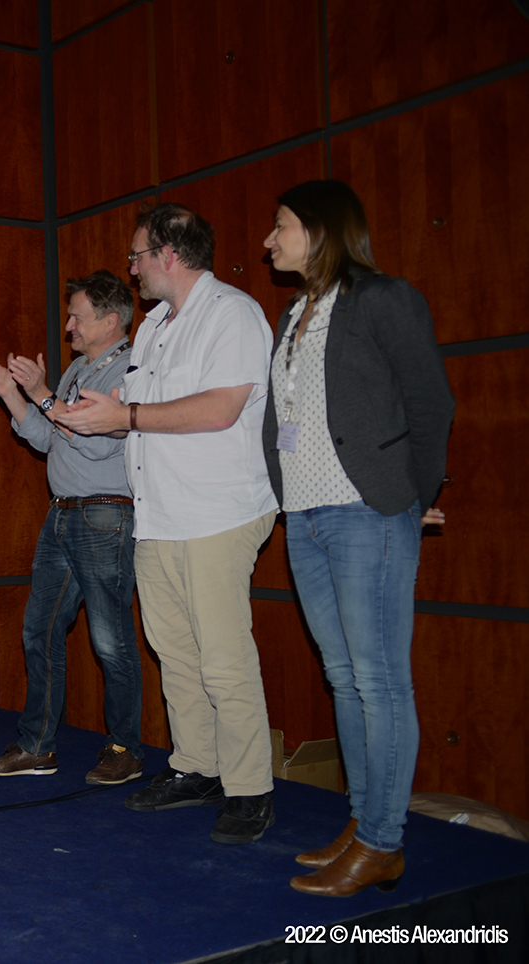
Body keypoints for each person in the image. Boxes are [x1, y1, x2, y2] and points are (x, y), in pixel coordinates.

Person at [56, 204, 280, 844]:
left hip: (217, 513)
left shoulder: (232, 313)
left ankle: (249, 788)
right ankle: (197, 767)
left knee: (223, 658)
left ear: (169, 255)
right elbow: (134, 412)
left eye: (137, 256)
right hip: (158, 516)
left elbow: (219, 409)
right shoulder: (154, 326)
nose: (132, 269)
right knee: (175, 653)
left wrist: (123, 418)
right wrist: (95, 415)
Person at [261, 180, 454, 895]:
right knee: (343, 677)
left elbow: (431, 403)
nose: (268, 240)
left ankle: (382, 841)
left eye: (280, 225)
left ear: (320, 229)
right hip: (307, 517)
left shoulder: (382, 299)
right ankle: (363, 822)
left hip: (365, 511)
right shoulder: (293, 313)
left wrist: (410, 497)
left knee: (379, 680)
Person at [0, 270, 143, 784]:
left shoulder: (131, 368)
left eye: (77, 317)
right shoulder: (77, 370)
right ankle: (37, 747)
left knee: (110, 641)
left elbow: (97, 441)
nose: (68, 326)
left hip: (106, 515)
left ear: (109, 321)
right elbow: (48, 438)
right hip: (62, 514)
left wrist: (43, 392)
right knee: (39, 631)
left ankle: (125, 749)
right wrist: (11, 393)